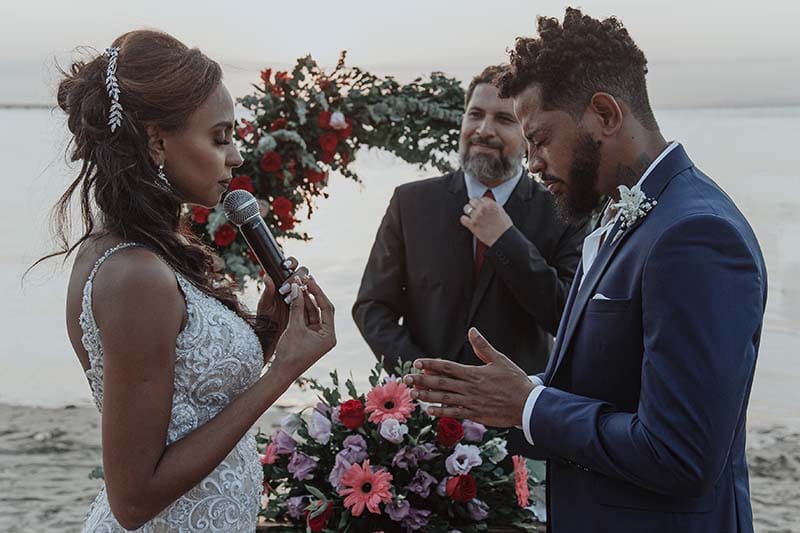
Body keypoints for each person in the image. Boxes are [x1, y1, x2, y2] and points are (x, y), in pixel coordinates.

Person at [405, 9, 767, 533]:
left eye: (541, 138)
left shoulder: (697, 236)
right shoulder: (634, 212)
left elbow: (681, 454)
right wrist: (508, 393)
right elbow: (611, 386)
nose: (531, 162)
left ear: (604, 113)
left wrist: (530, 404)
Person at [33, 30, 336, 531]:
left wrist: (266, 333)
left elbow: (190, 401)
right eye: (220, 137)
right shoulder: (134, 273)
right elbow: (133, 499)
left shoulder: (148, 255)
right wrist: (283, 372)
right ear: (157, 140)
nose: (236, 155)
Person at [353, 65, 589, 375]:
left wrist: (507, 241)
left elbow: (568, 320)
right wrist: (423, 375)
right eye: (475, 114)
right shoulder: (409, 202)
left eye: (504, 119)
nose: (484, 130)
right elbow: (372, 308)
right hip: (425, 408)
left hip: (517, 412)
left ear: (529, 135)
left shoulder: (564, 213)